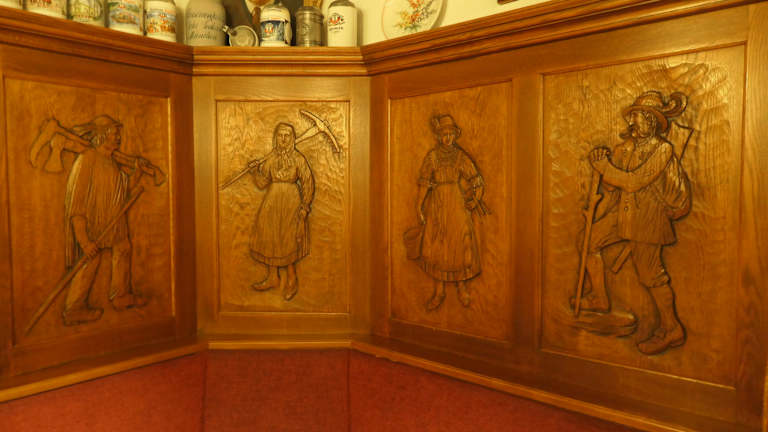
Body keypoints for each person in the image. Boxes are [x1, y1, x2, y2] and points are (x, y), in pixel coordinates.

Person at [578, 91, 691, 355]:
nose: (632, 121)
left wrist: (605, 168)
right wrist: (602, 162)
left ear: (651, 120)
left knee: (650, 275)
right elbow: (613, 185)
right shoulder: (628, 147)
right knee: (588, 241)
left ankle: (672, 328)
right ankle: (599, 298)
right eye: (632, 116)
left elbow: (633, 181)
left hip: (650, 219)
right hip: (625, 215)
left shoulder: (663, 150)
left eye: (637, 116)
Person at [62, 115, 148, 325]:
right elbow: (77, 201)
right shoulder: (88, 159)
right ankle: (74, 309)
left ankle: (120, 296)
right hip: (92, 225)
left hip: (113, 223)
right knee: (89, 260)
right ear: (101, 136)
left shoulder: (111, 161)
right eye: (114, 133)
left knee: (123, 248)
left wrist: (136, 173)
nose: (118, 137)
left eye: (118, 134)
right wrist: (83, 239)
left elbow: (121, 190)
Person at [412, 114, 485, 311]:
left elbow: (477, 180)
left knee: (459, 245)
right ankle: (439, 291)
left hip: (456, 205)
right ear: (439, 136)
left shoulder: (460, 157)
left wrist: (475, 199)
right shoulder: (432, 157)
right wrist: (419, 206)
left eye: (451, 134)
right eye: (444, 134)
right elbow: (424, 183)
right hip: (437, 205)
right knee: (438, 246)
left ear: (455, 135)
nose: (448, 138)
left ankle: (462, 288)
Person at [249, 122, 315, 301]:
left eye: (287, 135)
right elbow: (262, 183)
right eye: (280, 135)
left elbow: (308, 183)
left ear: (292, 138)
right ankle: (273, 277)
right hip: (272, 202)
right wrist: (255, 172)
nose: (283, 139)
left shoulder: (299, 159)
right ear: (275, 138)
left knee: (288, 239)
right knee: (270, 236)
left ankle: (292, 279)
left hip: (291, 203)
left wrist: (304, 208)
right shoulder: (271, 159)